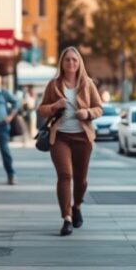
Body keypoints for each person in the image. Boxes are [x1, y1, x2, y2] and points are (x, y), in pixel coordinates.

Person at [37, 47, 103, 236]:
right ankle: (66, 218)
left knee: (81, 180)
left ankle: (77, 206)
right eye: (67, 60)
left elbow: (99, 108)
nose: (71, 63)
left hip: (82, 137)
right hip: (60, 137)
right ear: (62, 63)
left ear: (79, 62)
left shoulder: (87, 83)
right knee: (65, 175)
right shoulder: (54, 85)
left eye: (74, 59)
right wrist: (54, 106)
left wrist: (87, 113)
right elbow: (41, 110)